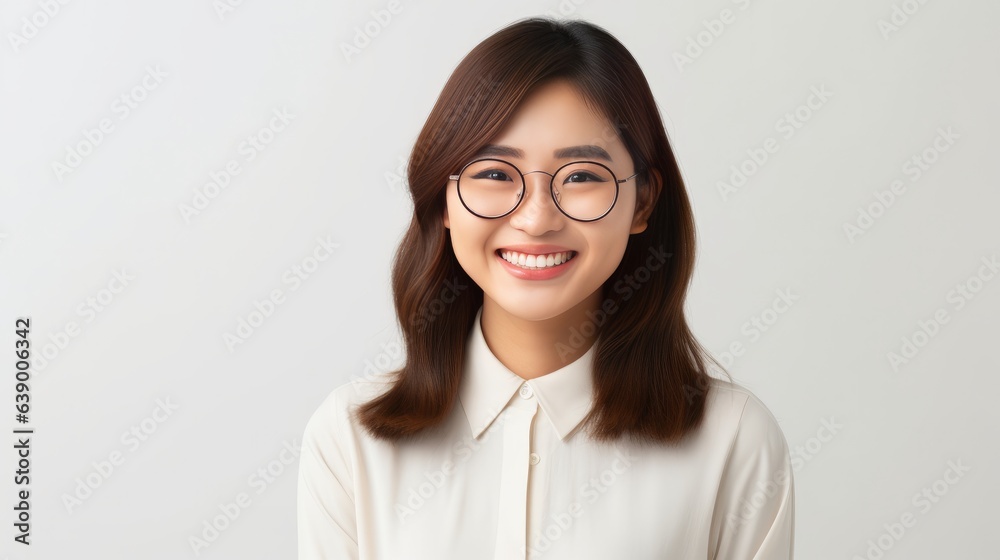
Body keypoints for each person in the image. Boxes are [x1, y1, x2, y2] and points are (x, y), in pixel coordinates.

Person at [297, 17, 794, 559]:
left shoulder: (733, 441)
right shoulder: (350, 440)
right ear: (443, 199)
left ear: (643, 202)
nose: (536, 219)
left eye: (581, 176)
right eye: (493, 173)